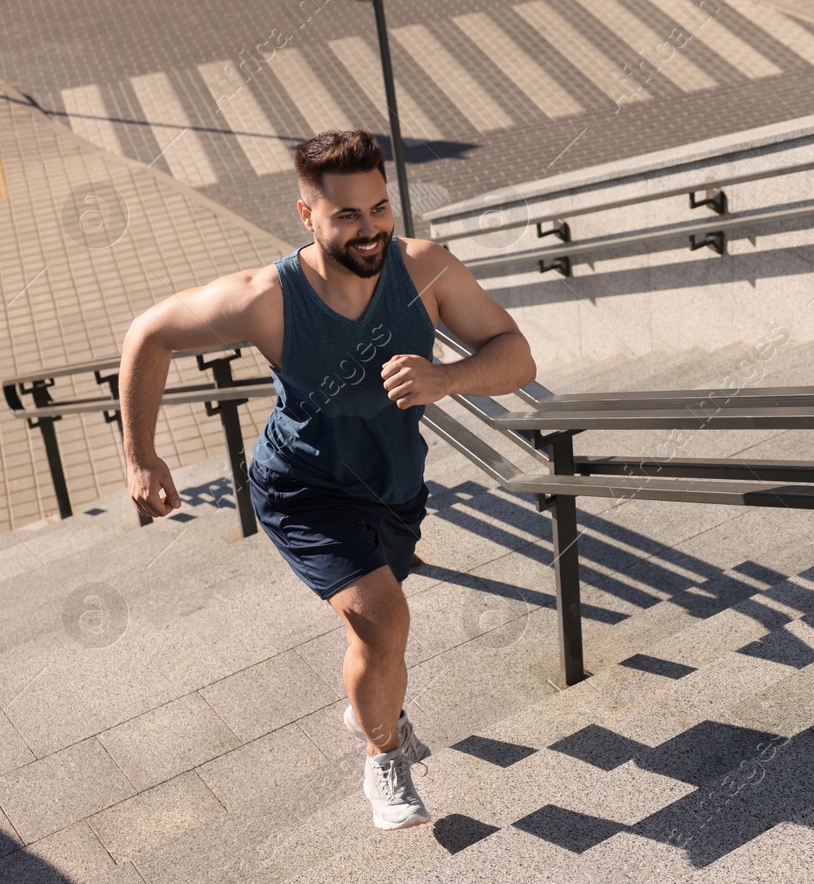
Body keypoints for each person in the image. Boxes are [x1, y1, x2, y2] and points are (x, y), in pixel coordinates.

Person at [118, 129, 537, 831]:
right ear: (306, 215)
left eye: (379, 208)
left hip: (396, 486)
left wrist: (449, 376)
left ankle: (369, 705)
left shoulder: (426, 268)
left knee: (380, 642)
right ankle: (384, 752)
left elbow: (515, 354)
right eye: (346, 215)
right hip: (302, 488)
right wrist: (140, 454)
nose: (370, 228)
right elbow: (149, 332)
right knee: (385, 621)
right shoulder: (268, 299)